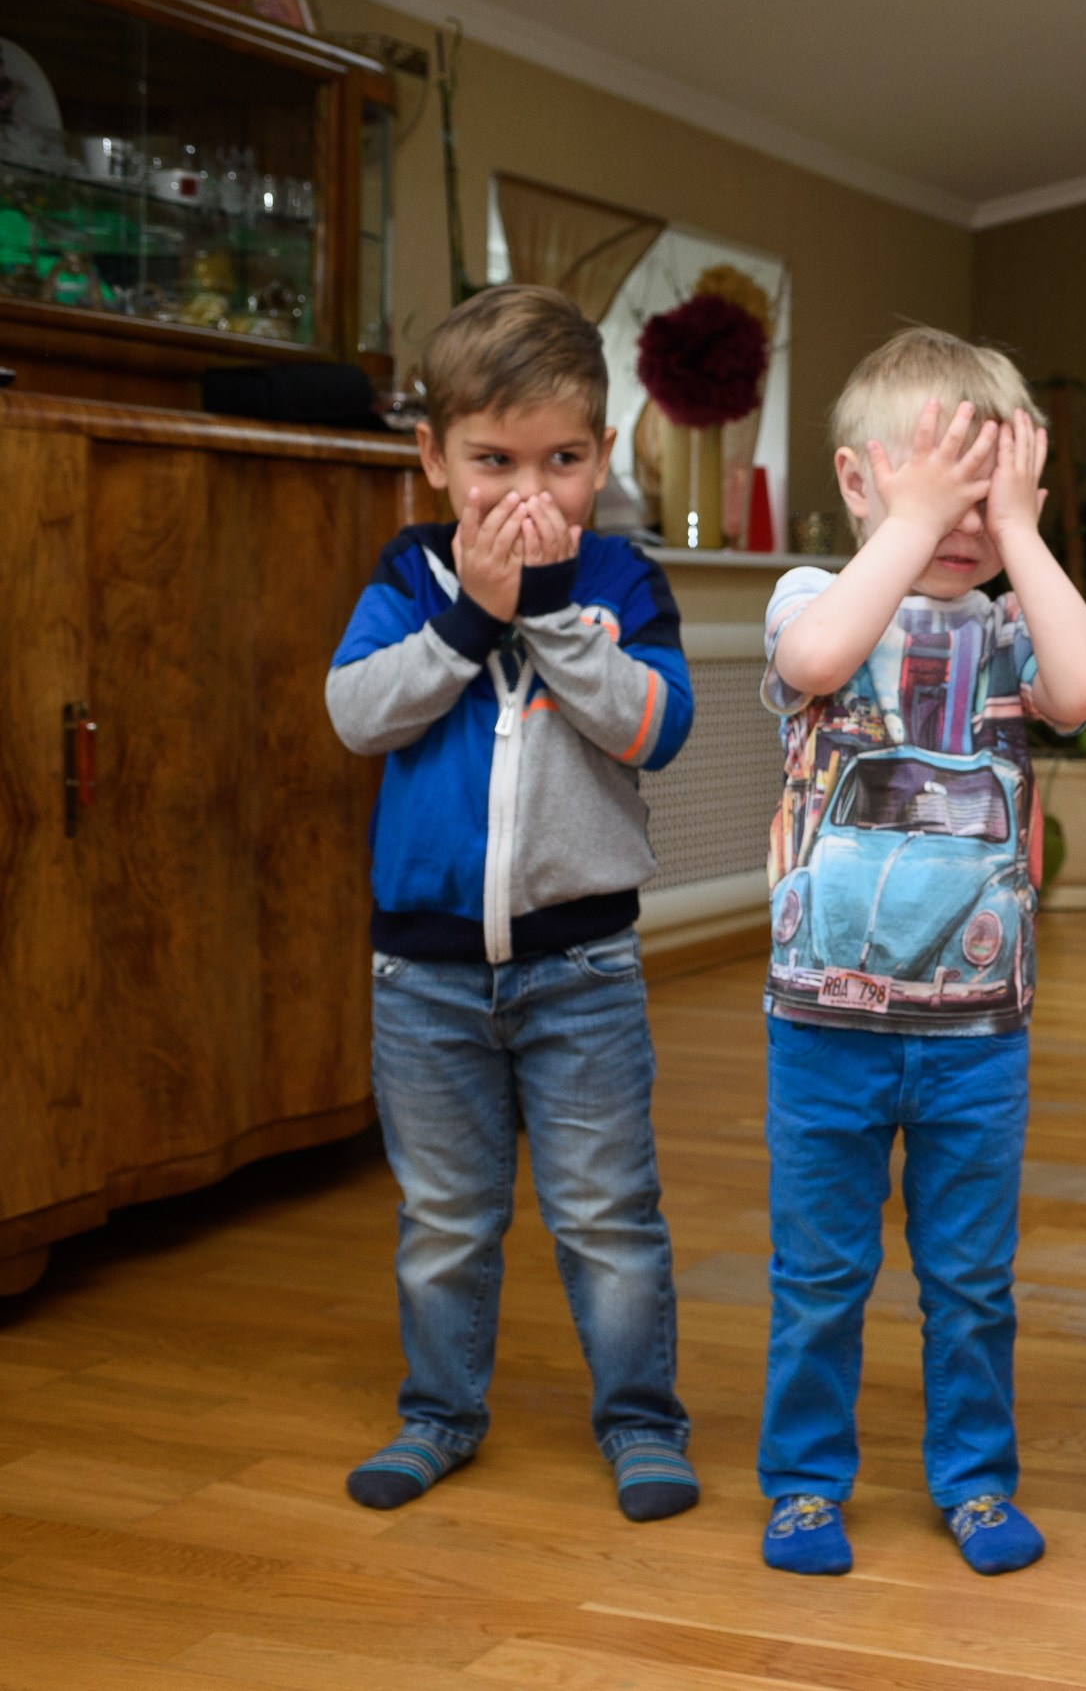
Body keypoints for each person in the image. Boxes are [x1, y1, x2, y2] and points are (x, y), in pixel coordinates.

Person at [325, 284, 699, 1522]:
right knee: (444, 1217)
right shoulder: (406, 576)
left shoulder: (620, 582)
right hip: (422, 976)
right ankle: (439, 1411)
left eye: (563, 457)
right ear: (434, 458)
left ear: (602, 456)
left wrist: (550, 621)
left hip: (579, 969)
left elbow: (656, 726)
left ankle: (642, 1422)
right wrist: (467, 617)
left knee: (606, 1215)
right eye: (492, 460)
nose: (527, 488)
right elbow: (356, 713)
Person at [755, 328, 1086, 1579]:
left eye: (983, 487)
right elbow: (813, 663)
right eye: (931, 485)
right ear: (859, 482)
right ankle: (804, 1483)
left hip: (975, 1033)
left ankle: (972, 1478)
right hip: (821, 1020)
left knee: (970, 1279)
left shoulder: (1014, 627)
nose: (956, 518)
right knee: (821, 1274)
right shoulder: (815, 597)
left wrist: (1019, 531)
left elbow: (1084, 689)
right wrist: (905, 527)